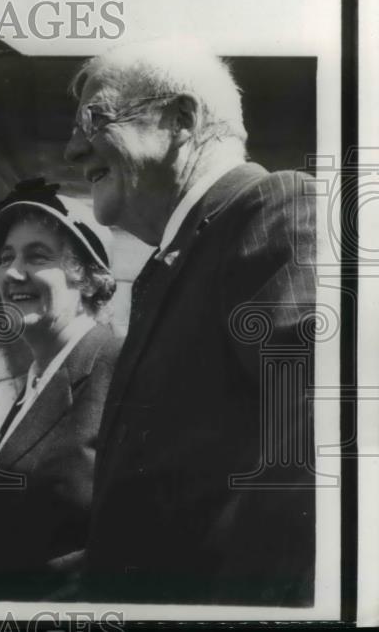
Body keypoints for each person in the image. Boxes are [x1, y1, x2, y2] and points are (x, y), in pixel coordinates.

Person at [64, 39, 316, 606]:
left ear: (180, 119)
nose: (71, 148)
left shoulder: (276, 207)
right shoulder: (181, 257)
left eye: (94, 118)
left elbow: (321, 450)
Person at [0, 179, 122, 601]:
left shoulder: (118, 364)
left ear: (88, 280)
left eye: (37, 256)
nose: (14, 272)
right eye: (5, 257)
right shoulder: (39, 378)